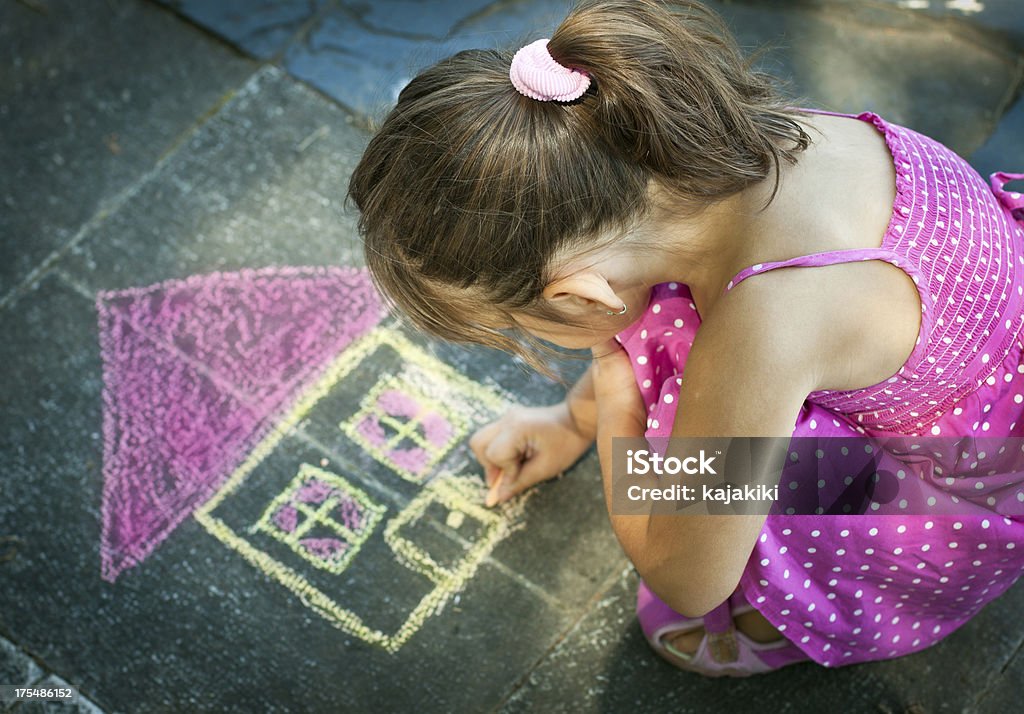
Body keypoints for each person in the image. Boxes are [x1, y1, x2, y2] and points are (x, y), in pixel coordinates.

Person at [348, 0, 1024, 676]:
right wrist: (568, 422)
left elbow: (688, 579)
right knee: (665, 317)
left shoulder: (767, 322)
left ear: (576, 294)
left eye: (516, 324)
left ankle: (815, 610)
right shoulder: (725, 156)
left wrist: (616, 409)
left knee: (678, 421)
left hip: (961, 496)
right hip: (981, 381)